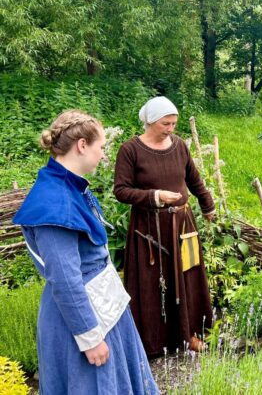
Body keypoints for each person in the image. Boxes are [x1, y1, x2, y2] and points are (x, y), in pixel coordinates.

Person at [13, 110, 158, 394]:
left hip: (101, 305)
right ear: (81, 145)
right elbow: (66, 280)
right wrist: (90, 338)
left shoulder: (68, 188)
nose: (103, 155)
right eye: (100, 147)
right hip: (80, 321)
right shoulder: (55, 204)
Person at [113, 96, 215, 357]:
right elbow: (121, 191)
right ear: (149, 122)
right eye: (165, 124)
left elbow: (193, 179)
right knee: (151, 284)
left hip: (182, 226)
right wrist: (154, 196)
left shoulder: (180, 146)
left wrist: (207, 205)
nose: (171, 129)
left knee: (187, 278)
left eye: (173, 124)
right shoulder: (130, 150)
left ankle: (188, 334)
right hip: (149, 230)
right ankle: (151, 342)